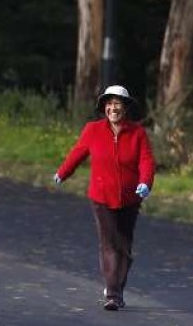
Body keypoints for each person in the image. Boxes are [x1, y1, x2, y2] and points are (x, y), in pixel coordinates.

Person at [54, 84, 156, 311]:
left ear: (125, 108)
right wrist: (63, 172)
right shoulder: (93, 130)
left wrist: (145, 183)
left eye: (117, 104)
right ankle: (113, 294)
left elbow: (146, 161)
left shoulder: (138, 133)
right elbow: (78, 153)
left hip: (130, 198)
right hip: (101, 197)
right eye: (109, 104)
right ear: (104, 108)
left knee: (124, 247)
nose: (113, 108)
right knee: (109, 244)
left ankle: (116, 285)